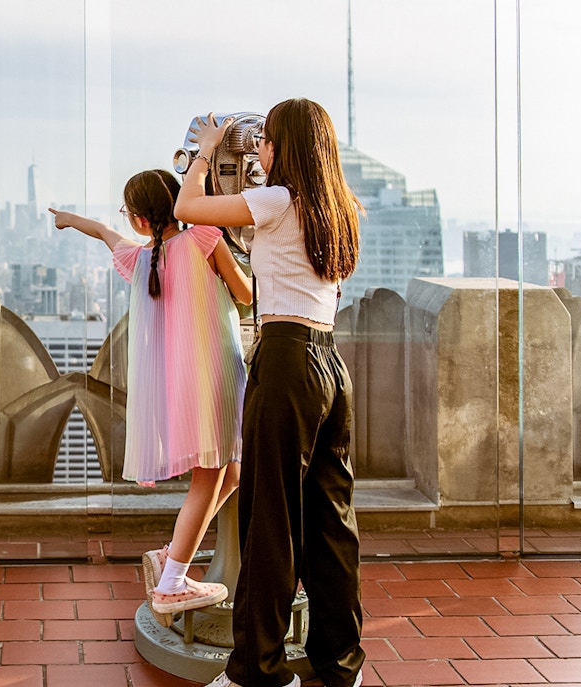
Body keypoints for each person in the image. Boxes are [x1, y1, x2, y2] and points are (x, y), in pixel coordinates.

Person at [175, 99, 364, 687]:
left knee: (269, 521)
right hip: (331, 365)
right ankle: (341, 667)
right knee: (332, 522)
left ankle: (255, 673)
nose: (258, 151)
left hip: (284, 361)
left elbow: (187, 207)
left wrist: (205, 151)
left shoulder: (276, 202)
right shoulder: (341, 208)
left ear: (288, 147)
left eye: (266, 141)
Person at [49, 168, 252, 622]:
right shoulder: (204, 238)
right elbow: (246, 296)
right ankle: (172, 583)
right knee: (212, 473)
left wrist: (67, 219)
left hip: (182, 387)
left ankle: (171, 555)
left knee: (234, 472)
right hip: (215, 376)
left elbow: (104, 232)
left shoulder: (142, 260)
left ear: (140, 220)